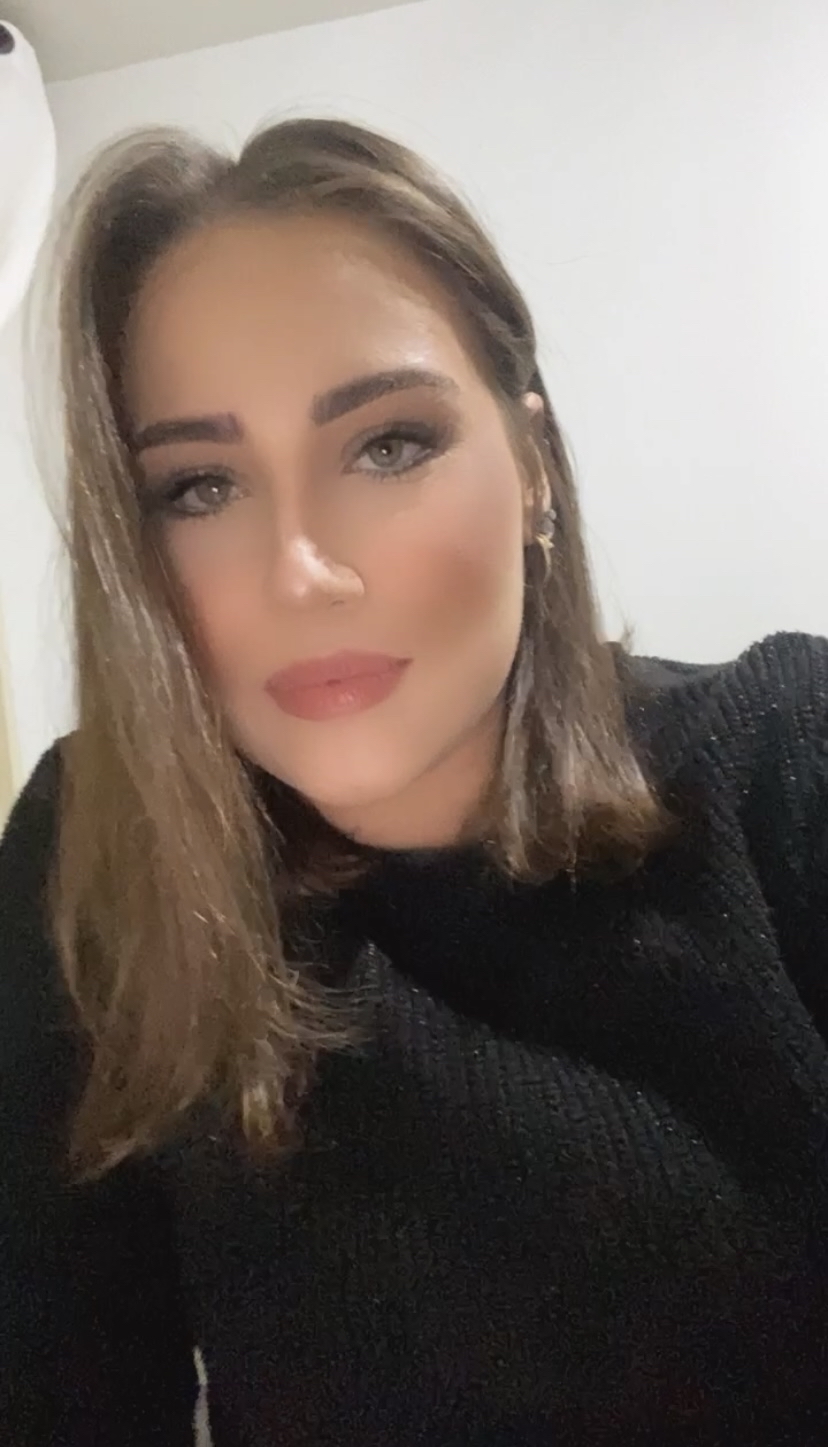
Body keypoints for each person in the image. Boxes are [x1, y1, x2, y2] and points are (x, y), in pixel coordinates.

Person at [1, 116, 827, 1447]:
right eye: (200, 486)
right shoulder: (100, 844)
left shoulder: (786, 752)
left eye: (387, 445)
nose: (300, 572)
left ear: (534, 468)